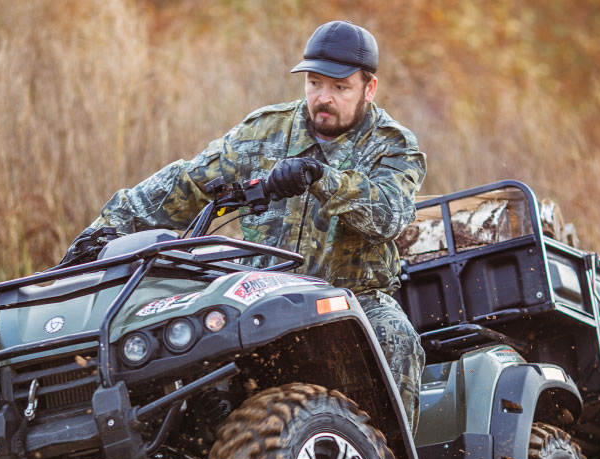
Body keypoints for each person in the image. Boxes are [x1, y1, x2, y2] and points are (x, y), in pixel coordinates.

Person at [74, 20, 427, 430]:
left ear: (369, 88)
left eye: (340, 87)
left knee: (395, 337)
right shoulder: (264, 131)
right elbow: (187, 183)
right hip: (260, 298)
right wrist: (104, 231)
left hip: (352, 300)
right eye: (314, 83)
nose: (323, 98)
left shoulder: (393, 144)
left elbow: (389, 216)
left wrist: (320, 177)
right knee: (176, 346)